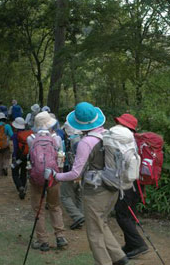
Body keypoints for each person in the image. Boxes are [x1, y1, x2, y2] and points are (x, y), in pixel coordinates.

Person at [44, 102, 131, 265]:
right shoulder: (108, 134)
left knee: (94, 233)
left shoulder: (86, 142)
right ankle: (120, 258)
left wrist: (56, 176)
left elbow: (76, 173)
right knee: (101, 223)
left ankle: (104, 262)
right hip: (113, 186)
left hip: (96, 192)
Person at [27, 111, 67, 252]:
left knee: (38, 209)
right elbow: (61, 157)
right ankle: (60, 236)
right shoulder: (56, 138)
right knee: (55, 206)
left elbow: (30, 159)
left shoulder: (31, 138)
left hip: (36, 179)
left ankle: (42, 240)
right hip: (54, 177)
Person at [114, 114, 148, 259]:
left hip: (128, 183)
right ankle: (130, 245)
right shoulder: (136, 141)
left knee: (122, 214)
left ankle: (139, 244)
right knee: (129, 214)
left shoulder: (126, 141)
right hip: (137, 183)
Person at [60, 122, 85, 230]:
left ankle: (77, 216)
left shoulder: (70, 141)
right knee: (78, 194)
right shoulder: (83, 139)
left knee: (64, 195)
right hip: (83, 172)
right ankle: (80, 217)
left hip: (72, 171)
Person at [11, 117, 32, 200]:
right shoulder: (29, 134)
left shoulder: (15, 136)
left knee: (14, 171)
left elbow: (15, 148)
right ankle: (23, 186)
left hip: (19, 156)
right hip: (27, 156)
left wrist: (14, 157)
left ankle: (20, 187)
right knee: (23, 171)